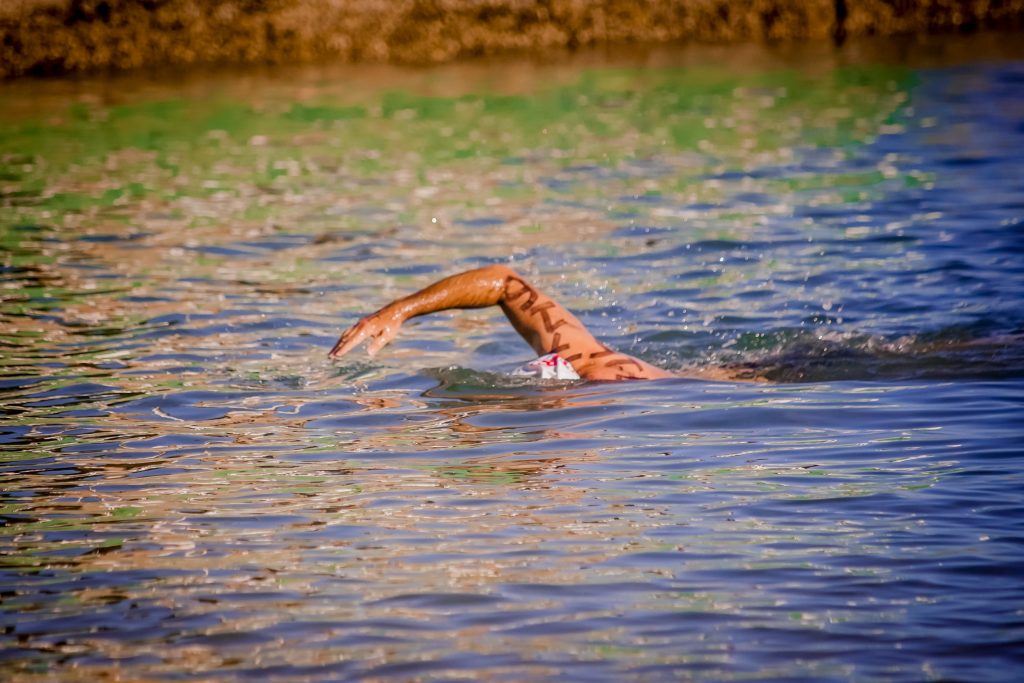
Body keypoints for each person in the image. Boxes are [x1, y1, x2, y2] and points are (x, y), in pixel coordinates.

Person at [329, 264, 682, 381]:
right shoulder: (583, 360)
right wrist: (397, 311)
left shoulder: (586, 365)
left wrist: (397, 310)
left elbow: (504, 281)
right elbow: (504, 282)